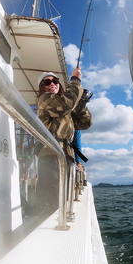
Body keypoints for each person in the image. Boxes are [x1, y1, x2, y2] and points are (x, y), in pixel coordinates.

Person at [36, 67, 92, 212]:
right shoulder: (44, 100)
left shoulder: (65, 109)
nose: (52, 84)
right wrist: (75, 81)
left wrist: (81, 106)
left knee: (63, 195)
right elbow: (66, 104)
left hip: (66, 155)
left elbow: (85, 123)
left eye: (55, 81)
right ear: (42, 89)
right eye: (47, 83)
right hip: (51, 154)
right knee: (51, 199)